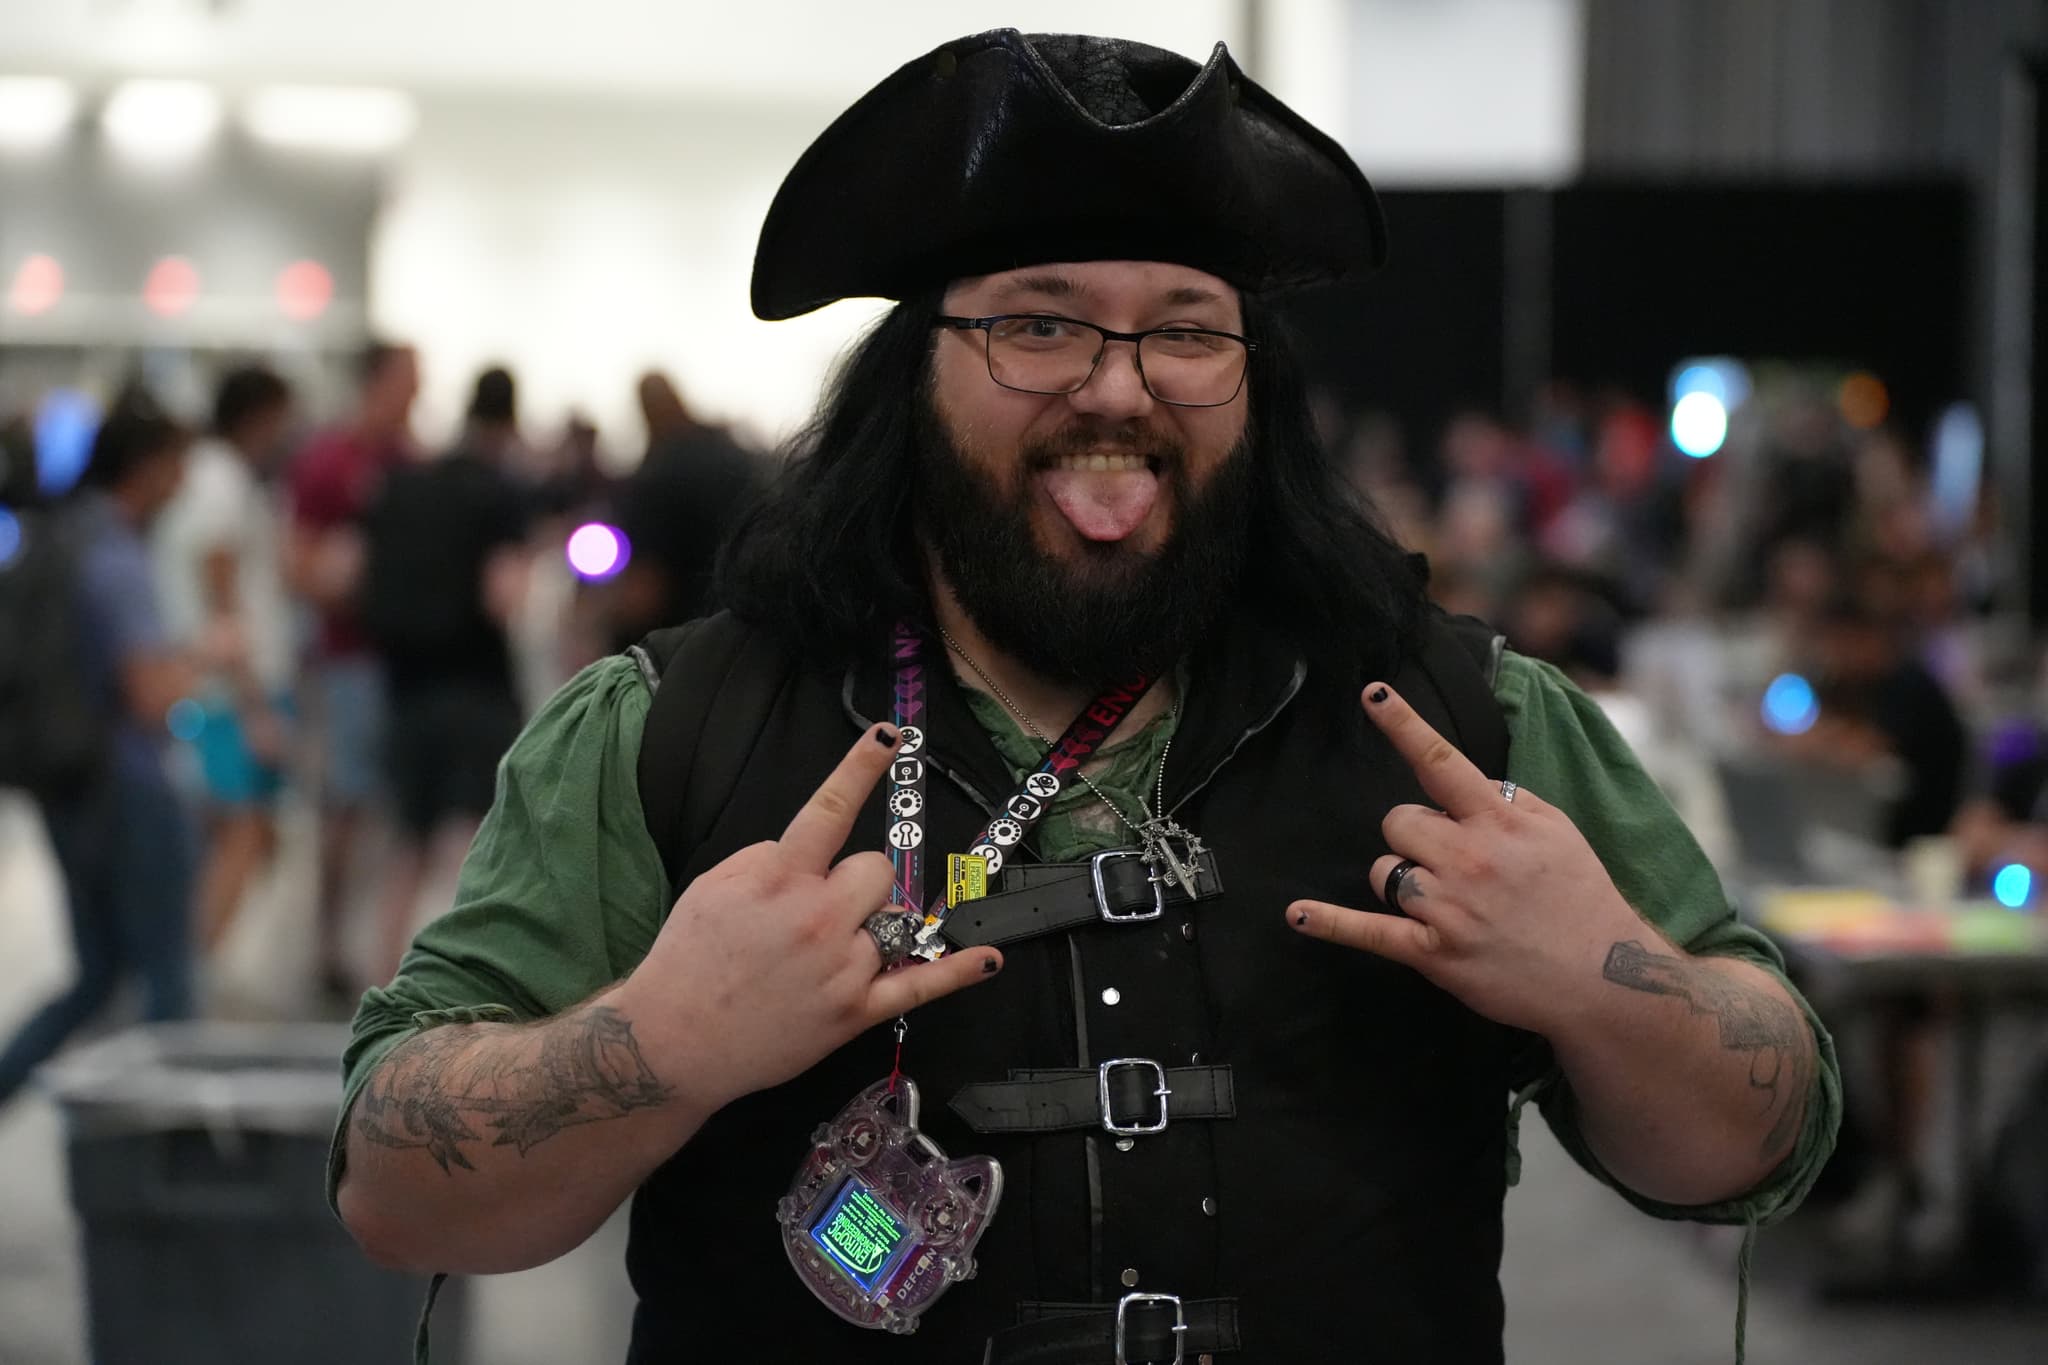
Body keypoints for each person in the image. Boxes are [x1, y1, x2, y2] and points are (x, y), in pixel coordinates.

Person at [331, 32, 1840, 1364]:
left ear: (1255, 381)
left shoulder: (1464, 729)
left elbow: (1756, 1142)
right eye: (1038, 323)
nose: (1117, 388)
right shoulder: (670, 730)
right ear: (912, 373)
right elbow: (391, 1190)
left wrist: (1604, 982)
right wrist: (662, 1041)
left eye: (1186, 329)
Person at [0, 393, 199, 1107]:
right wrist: (207, 656)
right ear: (147, 467)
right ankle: (164, 1149)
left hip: (66, 783)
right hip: (128, 787)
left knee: (96, 975)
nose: (184, 483)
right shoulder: (116, 553)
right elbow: (148, 694)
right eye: (178, 465)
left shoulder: (63, 535)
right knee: (168, 981)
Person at [357, 366, 532, 982]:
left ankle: (380, 978)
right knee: (470, 844)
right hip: (477, 688)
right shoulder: (499, 490)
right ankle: (454, 980)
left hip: (406, 686)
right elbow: (502, 596)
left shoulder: (406, 482)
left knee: (405, 841)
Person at [150, 364, 297, 951]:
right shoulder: (222, 481)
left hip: (219, 684)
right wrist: (255, 701)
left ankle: (187, 964)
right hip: (227, 691)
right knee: (241, 830)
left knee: (242, 833)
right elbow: (222, 592)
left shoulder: (216, 477)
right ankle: (189, 970)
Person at [287, 340, 418, 995]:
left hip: (405, 661)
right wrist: (346, 581)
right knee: (345, 806)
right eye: (408, 382)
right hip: (350, 662)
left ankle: (375, 945)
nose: (417, 395)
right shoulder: (331, 460)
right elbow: (297, 562)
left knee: (393, 814)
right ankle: (329, 939)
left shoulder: (409, 460)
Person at [599, 371, 762, 651]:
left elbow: (645, 594)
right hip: (755, 633)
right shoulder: (733, 456)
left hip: (688, 652)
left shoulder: (655, 476)